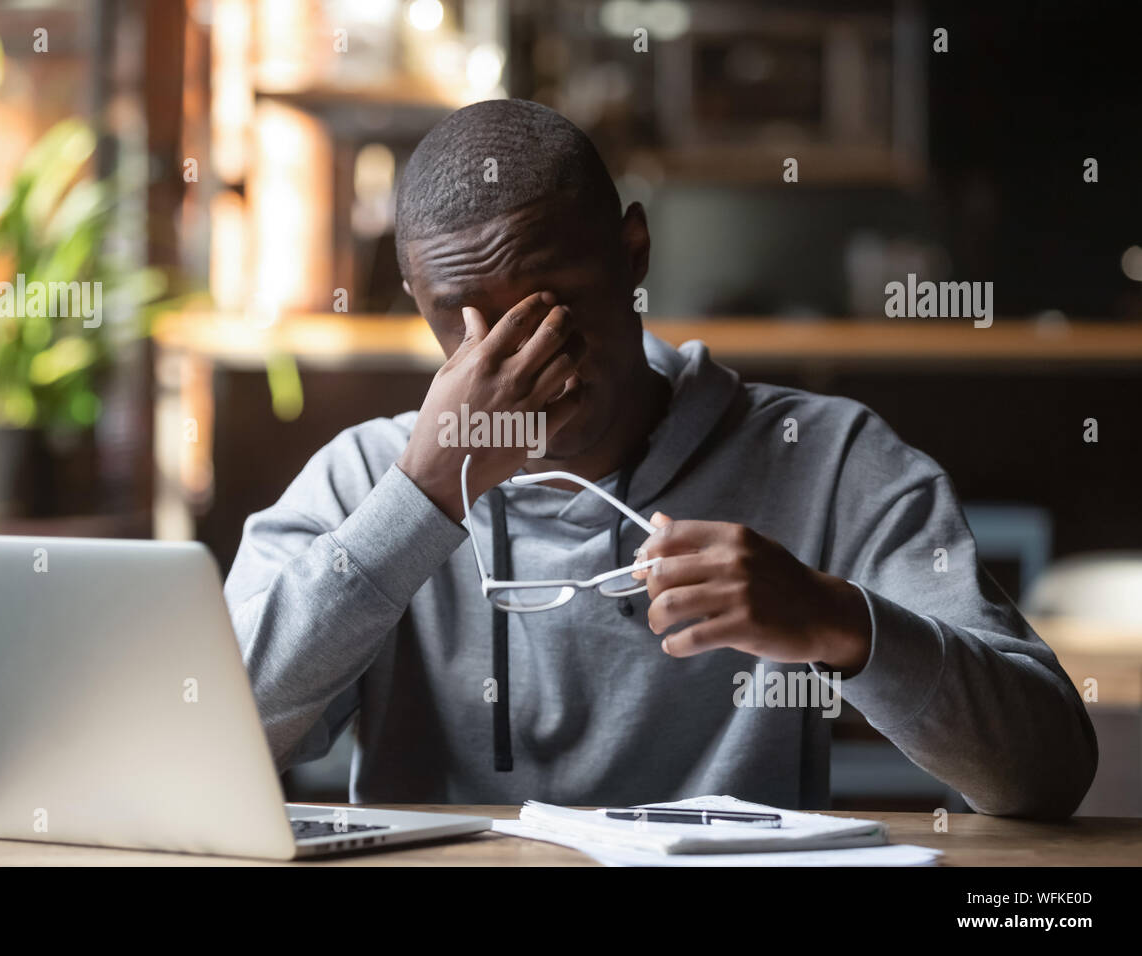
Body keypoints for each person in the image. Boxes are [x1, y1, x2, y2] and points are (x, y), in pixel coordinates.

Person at [224, 99, 1096, 817]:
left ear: (633, 253)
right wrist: (419, 500)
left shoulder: (828, 460)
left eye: (555, 304)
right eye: (465, 320)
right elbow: (215, 744)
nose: (524, 360)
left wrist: (842, 623)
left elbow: (1048, 773)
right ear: (415, 301)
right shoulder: (362, 480)